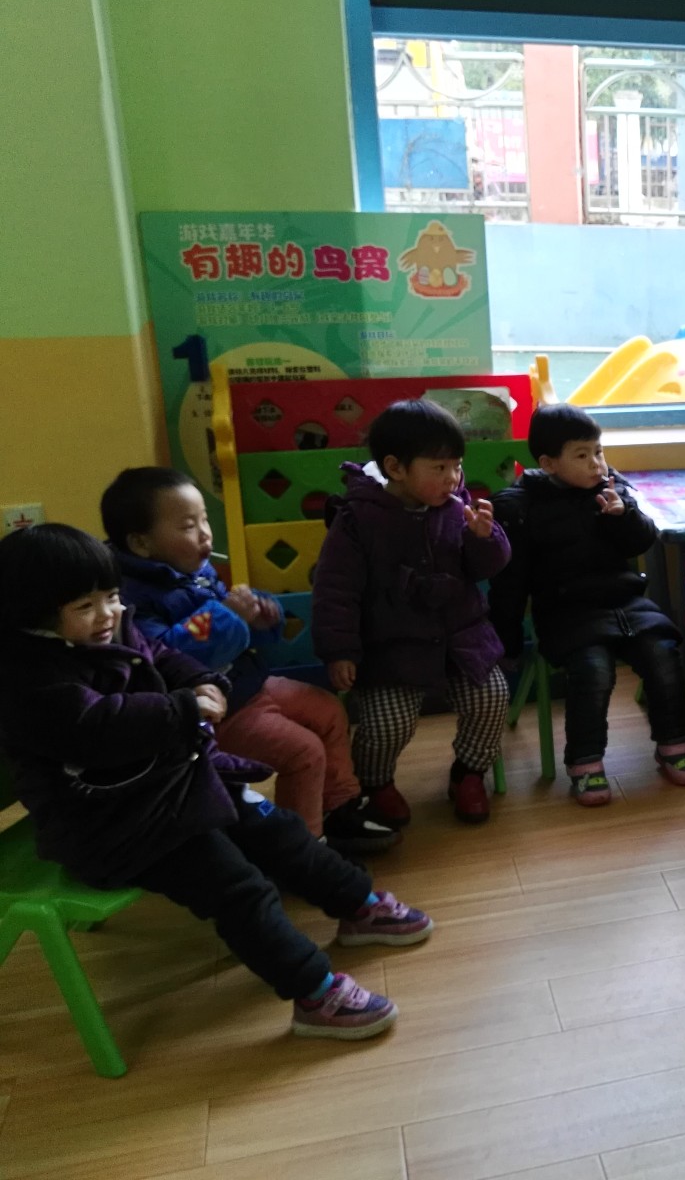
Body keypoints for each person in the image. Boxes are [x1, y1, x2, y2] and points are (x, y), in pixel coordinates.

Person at [0, 525, 434, 1040]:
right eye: (85, 606)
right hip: (112, 826)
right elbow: (94, 729)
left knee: (280, 831)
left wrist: (201, 681)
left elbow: (161, 658)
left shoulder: (107, 629)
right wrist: (184, 709)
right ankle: (314, 994)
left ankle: (358, 906)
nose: (108, 614)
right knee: (238, 888)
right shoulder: (26, 677)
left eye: (112, 596)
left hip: (170, 784)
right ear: (34, 614)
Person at [101, 467, 395, 854]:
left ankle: (338, 806)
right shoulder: (131, 598)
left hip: (248, 684)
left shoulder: (195, 572)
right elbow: (170, 657)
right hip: (216, 713)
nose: (205, 534)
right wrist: (229, 615)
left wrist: (260, 617)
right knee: (303, 752)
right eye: (188, 526)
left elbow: (232, 632)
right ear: (141, 544)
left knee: (329, 711)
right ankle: (303, 848)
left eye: (204, 520)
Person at [488, 404, 685, 807]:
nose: (596, 464)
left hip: (626, 602)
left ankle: (673, 742)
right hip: (566, 612)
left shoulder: (611, 489)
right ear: (548, 463)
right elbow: (509, 583)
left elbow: (641, 541)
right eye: (582, 455)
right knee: (593, 669)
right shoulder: (521, 507)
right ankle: (584, 761)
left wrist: (622, 515)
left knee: (662, 653)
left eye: (598, 451)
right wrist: (507, 642)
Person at [313, 399, 511, 825]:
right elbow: (335, 591)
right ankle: (376, 783)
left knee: (492, 697)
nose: (452, 477)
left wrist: (484, 539)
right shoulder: (358, 518)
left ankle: (468, 772)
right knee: (387, 725)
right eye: (439, 467)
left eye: (457, 466)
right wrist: (339, 650)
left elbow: (485, 568)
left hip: (461, 640)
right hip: (391, 648)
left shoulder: (457, 506)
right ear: (396, 468)